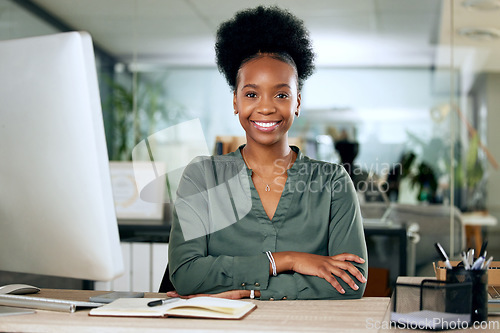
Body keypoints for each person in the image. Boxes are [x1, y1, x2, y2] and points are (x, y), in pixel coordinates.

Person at [167, 6, 367, 300]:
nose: (266, 107)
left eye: (281, 94)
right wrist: (285, 260)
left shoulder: (333, 181)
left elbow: (351, 281)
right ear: (235, 101)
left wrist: (246, 292)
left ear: (297, 103)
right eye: (251, 94)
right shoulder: (203, 178)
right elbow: (186, 275)